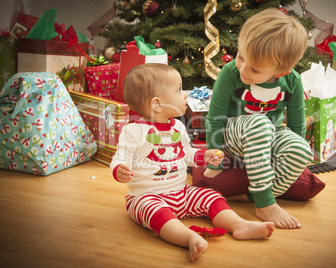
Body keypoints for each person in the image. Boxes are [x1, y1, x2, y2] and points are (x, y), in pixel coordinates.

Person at [110, 63, 275, 262]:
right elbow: (119, 157)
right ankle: (188, 237)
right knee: (155, 212)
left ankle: (238, 224)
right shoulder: (133, 132)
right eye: (179, 90)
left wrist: (204, 156)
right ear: (157, 104)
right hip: (146, 197)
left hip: (182, 193)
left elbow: (186, 154)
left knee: (210, 195)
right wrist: (119, 169)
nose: (185, 95)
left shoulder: (179, 126)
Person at [204, 8, 313, 229]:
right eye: (240, 56)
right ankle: (265, 203)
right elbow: (215, 118)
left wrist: (292, 156)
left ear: (281, 71)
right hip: (232, 136)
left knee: (302, 148)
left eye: (254, 69)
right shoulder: (230, 74)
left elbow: (296, 125)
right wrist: (216, 154)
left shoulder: (291, 81)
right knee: (261, 123)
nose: (243, 70)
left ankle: (251, 198)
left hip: (266, 136)